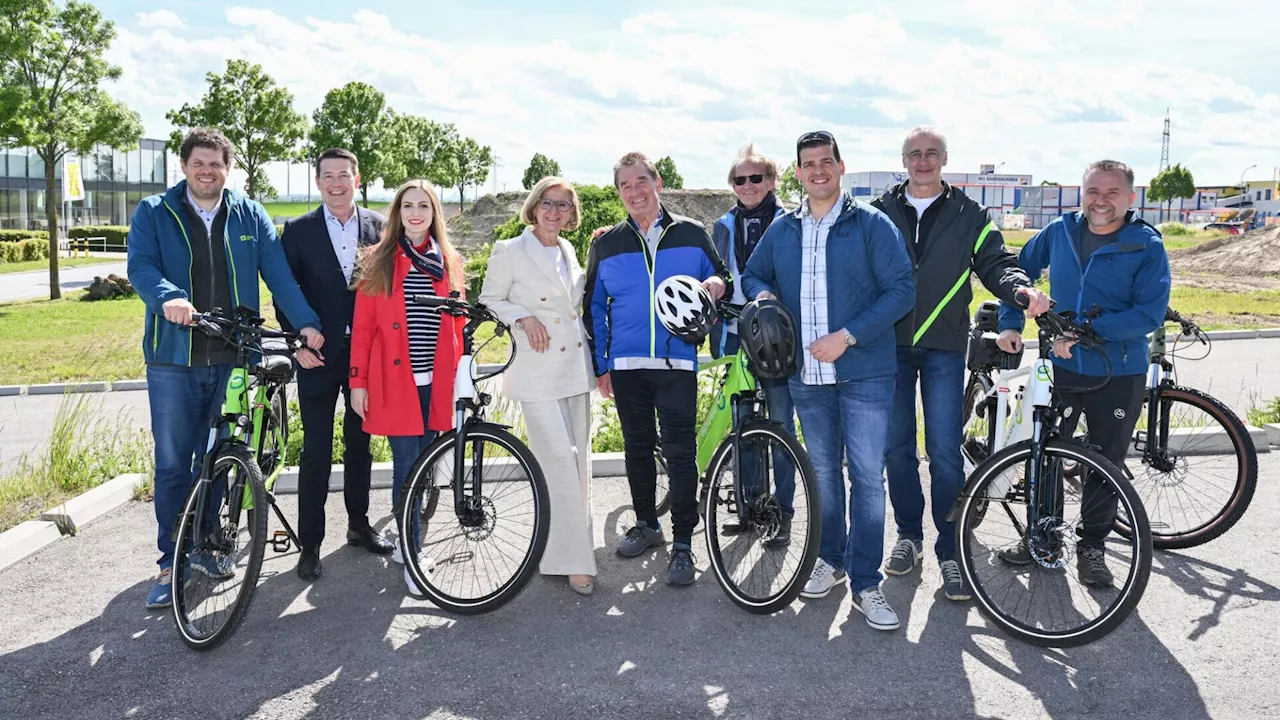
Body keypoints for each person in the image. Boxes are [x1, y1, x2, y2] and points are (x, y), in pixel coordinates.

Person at [127, 127, 323, 610]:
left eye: (216, 164)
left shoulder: (250, 214)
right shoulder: (156, 212)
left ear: (227, 169)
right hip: (175, 357)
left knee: (221, 460)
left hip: (236, 356)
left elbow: (277, 275)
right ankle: (172, 560)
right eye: (199, 163)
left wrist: (307, 324)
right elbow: (141, 267)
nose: (207, 171)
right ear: (184, 166)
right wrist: (168, 297)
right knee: (174, 464)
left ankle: (210, 546)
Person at [742, 130, 915, 631]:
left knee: (866, 477)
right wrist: (767, 300)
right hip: (806, 377)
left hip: (865, 372)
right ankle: (831, 561)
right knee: (822, 476)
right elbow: (752, 275)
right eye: (808, 163)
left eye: (826, 161)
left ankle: (867, 582)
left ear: (841, 166)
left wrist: (850, 335)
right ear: (797, 172)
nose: (817, 170)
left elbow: (902, 290)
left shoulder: (871, 225)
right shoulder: (783, 229)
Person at [870, 126, 1051, 602]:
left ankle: (951, 550)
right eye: (915, 154)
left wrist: (1019, 289)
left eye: (932, 153)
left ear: (944, 159)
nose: (923, 161)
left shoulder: (970, 214)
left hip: (945, 346)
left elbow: (996, 263)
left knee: (946, 451)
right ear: (903, 160)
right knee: (895, 448)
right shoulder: (878, 211)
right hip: (888, 344)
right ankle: (908, 536)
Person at [996, 159, 1170, 587]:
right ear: (1081, 193)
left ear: (1131, 198)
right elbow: (1019, 275)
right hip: (1060, 366)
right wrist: (1010, 323)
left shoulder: (1145, 244)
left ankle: (1092, 546)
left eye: (1113, 193)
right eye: (1094, 191)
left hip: (1119, 371)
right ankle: (1043, 537)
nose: (1101, 201)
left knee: (1104, 463)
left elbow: (1148, 312)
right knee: (1046, 453)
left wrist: (1089, 330)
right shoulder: (1059, 231)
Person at [582, 151, 730, 587]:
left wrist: (718, 285)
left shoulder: (692, 233)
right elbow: (593, 307)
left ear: (657, 182)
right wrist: (602, 365)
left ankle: (683, 543)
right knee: (638, 450)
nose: (634, 191)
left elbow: (722, 277)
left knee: (681, 452)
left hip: (676, 362)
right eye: (624, 185)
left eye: (640, 181)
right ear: (619, 192)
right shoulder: (606, 243)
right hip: (626, 367)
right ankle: (648, 525)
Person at [274, 148, 394, 582]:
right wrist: (295, 345)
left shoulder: (380, 228)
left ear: (357, 179)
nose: (337, 183)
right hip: (317, 355)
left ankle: (359, 527)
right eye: (328, 176)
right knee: (317, 452)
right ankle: (310, 545)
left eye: (344, 175)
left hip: (366, 357)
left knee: (361, 445)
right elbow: (285, 293)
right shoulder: (299, 231)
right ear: (318, 182)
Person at [479, 177, 598, 595]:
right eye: (547, 203)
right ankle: (576, 562)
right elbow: (489, 299)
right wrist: (524, 318)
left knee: (578, 462)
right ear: (534, 206)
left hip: (574, 369)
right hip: (537, 371)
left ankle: (561, 552)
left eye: (563, 205)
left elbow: (575, 301)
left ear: (571, 214)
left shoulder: (569, 251)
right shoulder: (509, 250)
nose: (554, 211)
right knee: (560, 461)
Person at [348, 179, 466, 596]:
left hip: (436, 384)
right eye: (408, 205)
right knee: (407, 468)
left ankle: (406, 540)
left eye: (425, 206)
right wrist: (357, 382)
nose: (416, 213)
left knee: (429, 468)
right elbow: (362, 329)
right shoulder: (378, 259)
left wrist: (462, 376)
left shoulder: (449, 261)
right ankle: (415, 557)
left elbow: (458, 325)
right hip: (395, 383)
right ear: (398, 212)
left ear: (435, 214)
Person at [709, 143, 798, 545]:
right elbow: (716, 272)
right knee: (742, 425)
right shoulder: (723, 225)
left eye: (756, 178)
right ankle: (751, 506)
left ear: (773, 181)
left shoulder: (791, 220)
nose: (747, 185)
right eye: (739, 179)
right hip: (734, 333)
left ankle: (784, 510)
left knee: (779, 423)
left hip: (776, 334)